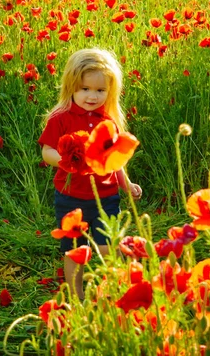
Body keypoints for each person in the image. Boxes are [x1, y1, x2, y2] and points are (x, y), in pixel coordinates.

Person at [38, 48, 142, 300]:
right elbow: (46, 151)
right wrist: (66, 160)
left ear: (110, 91)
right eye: (85, 89)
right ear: (71, 86)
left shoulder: (109, 120)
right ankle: (76, 296)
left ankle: (114, 292)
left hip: (105, 196)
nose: (92, 96)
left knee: (109, 247)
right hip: (70, 197)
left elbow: (115, 160)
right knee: (75, 250)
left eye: (100, 90)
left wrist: (125, 183)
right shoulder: (60, 118)